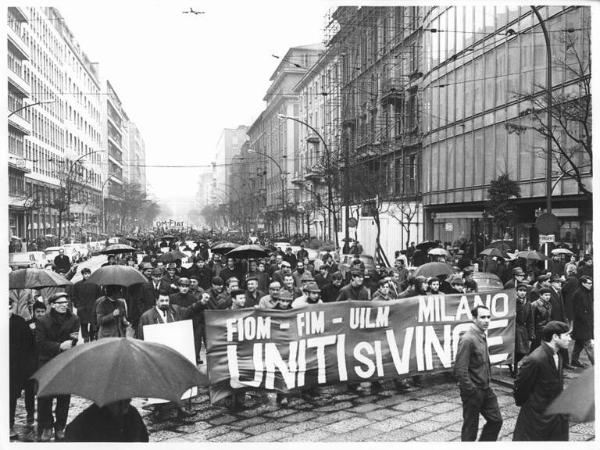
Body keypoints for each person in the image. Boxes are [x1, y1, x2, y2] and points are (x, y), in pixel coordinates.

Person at [513, 321, 571, 441]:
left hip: (555, 417)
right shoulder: (535, 359)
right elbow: (520, 388)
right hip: (537, 419)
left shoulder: (558, 355)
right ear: (555, 337)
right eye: (567, 335)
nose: (570, 339)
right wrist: (534, 406)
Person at [36, 292, 80, 441]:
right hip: (47, 362)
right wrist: (59, 346)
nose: (64, 305)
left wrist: (74, 343)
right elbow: (40, 343)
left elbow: (74, 339)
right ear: (53, 305)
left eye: (65, 302)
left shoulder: (74, 319)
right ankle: (47, 426)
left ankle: (60, 426)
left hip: (65, 362)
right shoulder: (43, 321)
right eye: (60, 303)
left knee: (64, 397)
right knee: (45, 398)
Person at [454, 305, 503, 441]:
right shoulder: (468, 339)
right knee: (470, 429)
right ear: (474, 318)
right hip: (473, 391)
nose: (486, 320)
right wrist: (471, 390)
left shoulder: (481, 335)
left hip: (485, 389)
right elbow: (460, 369)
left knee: (496, 420)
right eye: (482, 317)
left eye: (488, 317)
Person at [10, 296, 36, 440]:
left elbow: (28, 345)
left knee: (16, 393)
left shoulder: (19, 321)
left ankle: (10, 424)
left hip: (18, 364)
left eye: (9, 306)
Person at [64, 399, 148, 442]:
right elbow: (70, 434)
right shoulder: (90, 416)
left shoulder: (133, 414)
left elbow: (143, 440)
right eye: (121, 402)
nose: (127, 403)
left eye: (128, 401)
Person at [71, 268, 102, 342]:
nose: (87, 275)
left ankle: (92, 336)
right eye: (85, 274)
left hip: (93, 308)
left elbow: (100, 296)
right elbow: (73, 296)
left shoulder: (96, 284)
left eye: (88, 273)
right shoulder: (77, 285)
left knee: (93, 324)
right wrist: (77, 305)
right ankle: (85, 338)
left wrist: (97, 305)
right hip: (82, 309)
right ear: (83, 275)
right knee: (83, 324)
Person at [570, 275, 594, 367]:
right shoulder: (578, 294)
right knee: (588, 345)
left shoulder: (586, 292)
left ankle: (574, 360)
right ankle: (595, 363)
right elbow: (578, 311)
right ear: (583, 283)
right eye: (589, 283)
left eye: (591, 283)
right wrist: (587, 320)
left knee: (579, 344)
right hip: (582, 324)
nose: (591, 285)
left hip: (585, 323)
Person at [513, 283, 533, 377]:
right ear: (516, 291)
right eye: (520, 290)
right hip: (514, 329)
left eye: (524, 291)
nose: (522, 293)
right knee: (516, 350)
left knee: (524, 351)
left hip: (523, 329)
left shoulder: (528, 303)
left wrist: (531, 333)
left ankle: (515, 364)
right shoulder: (513, 302)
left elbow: (530, 320)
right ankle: (514, 368)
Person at [530, 287, 553, 352]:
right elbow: (531, 319)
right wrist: (532, 332)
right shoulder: (534, 304)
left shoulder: (549, 304)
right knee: (535, 347)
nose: (548, 297)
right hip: (537, 330)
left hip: (546, 329)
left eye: (549, 295)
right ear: (540, 295)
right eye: (546, 295)